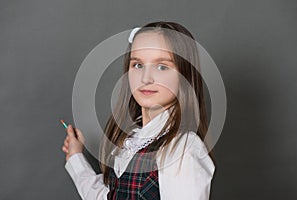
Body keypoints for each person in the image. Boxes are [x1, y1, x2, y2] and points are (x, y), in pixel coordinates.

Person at [62, 21, 215, 200]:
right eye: (138, 65)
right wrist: (75, 157)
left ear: (185, 76)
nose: (145, 78)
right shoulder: (131, 142)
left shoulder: (182, 149)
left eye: (162, 66)